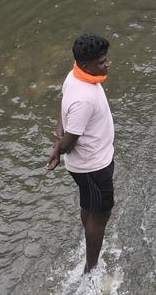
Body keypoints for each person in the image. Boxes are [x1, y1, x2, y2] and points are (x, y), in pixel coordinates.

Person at [45, 33, 117, 274]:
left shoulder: (74, 75)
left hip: (89, 166)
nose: (107, 64)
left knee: (89, 207)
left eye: (106, 59)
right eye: (101, 62)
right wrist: (57, 148)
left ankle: (89, 244)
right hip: (93, 167)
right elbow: (68, 144)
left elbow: (63, 113)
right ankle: (91, 269)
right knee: (100, 214)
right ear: (86, 65)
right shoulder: (84, 98)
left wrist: (58, 139)